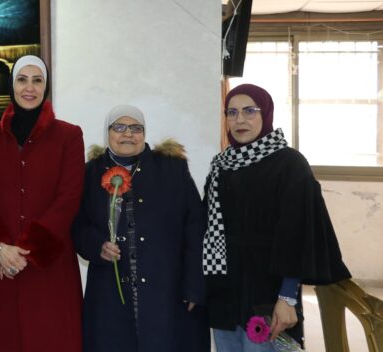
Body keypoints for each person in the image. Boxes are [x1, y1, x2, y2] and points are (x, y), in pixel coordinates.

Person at [203, 83, 351, 351]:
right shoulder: (221, 165)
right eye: (232, 112)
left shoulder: (289, 164)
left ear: (266, 113)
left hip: (268, 291)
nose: (240, 120)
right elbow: (205, 228)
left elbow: (298, 235)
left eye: (249, 111)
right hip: (225, 290)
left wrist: (287, 297)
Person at [0, 55, 85, 352]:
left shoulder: (69, 135)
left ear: (46, 87)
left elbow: (68, 199)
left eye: (37, 80)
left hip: (49, 267)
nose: (29, 88)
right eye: (22, 80)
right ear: (12, 85)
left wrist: (25, 253)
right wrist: (0, 248)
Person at [73, 104, 210, 352]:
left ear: (144, 133)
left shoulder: (171, 168)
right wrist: (97, 246)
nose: (128, 134)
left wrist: (194, 285)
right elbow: (78, 226)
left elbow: (195, 226)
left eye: (136, 128)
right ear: (108, 132)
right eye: (119, 127)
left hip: (166, 291)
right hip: (110, 295)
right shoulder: (90, 172)